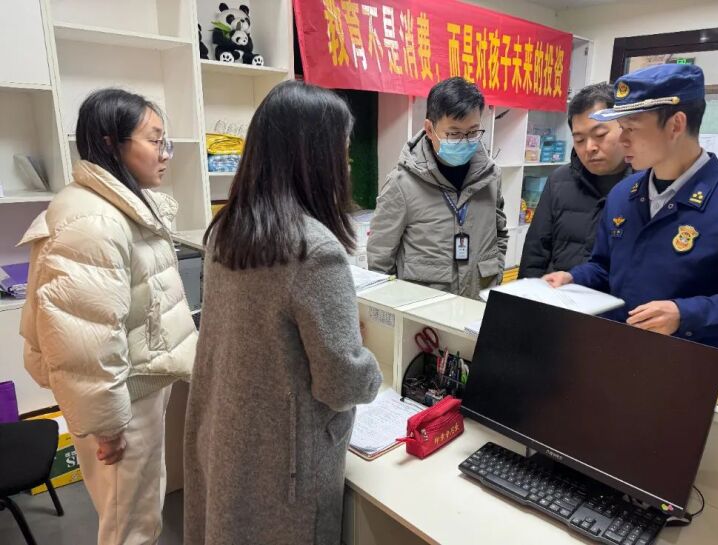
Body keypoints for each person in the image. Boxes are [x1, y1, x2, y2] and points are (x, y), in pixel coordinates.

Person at [183, 81, 383, 545]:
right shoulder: (314, 250)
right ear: (315, 158)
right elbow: (342, 382)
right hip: (287, 466)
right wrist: (367, 364)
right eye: (342, 153)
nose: (347, 165)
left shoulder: (227, 230)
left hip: (229, 437)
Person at [19, 88, 197, 545]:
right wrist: (108, 424)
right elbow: (86, 341)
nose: (165, 153)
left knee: (136, 511)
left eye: (166, 141)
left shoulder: (115, 205)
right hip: (123, 399)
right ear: (110, 143)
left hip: (135, 385)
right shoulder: (95, 221)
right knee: (129, 525)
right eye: (155, 141)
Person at [544, 64, 718, 349]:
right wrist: (573, 277)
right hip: (614, 348)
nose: (622, 139)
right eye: (621, 128)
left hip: (682, 361)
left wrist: (685, 314)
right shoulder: (623, 195)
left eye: (631, 129)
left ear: (676, 125)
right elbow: (605, 267)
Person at [367, 77, 508, 299]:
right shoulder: (402, 184)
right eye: (454, 134)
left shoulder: (491, 176)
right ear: (429, 129)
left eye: (473, 132)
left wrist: (496, 271)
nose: (465, 141)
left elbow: (500, 234)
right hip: (424, 310)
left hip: (478, 302)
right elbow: (380, 257)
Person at [518, 83, 630, 279]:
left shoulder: (646, 186)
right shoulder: (559, 181)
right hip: (557, 294)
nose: (589, 147)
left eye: (600, 135)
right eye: (579, 140)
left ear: (625, 127)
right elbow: (535, 253)